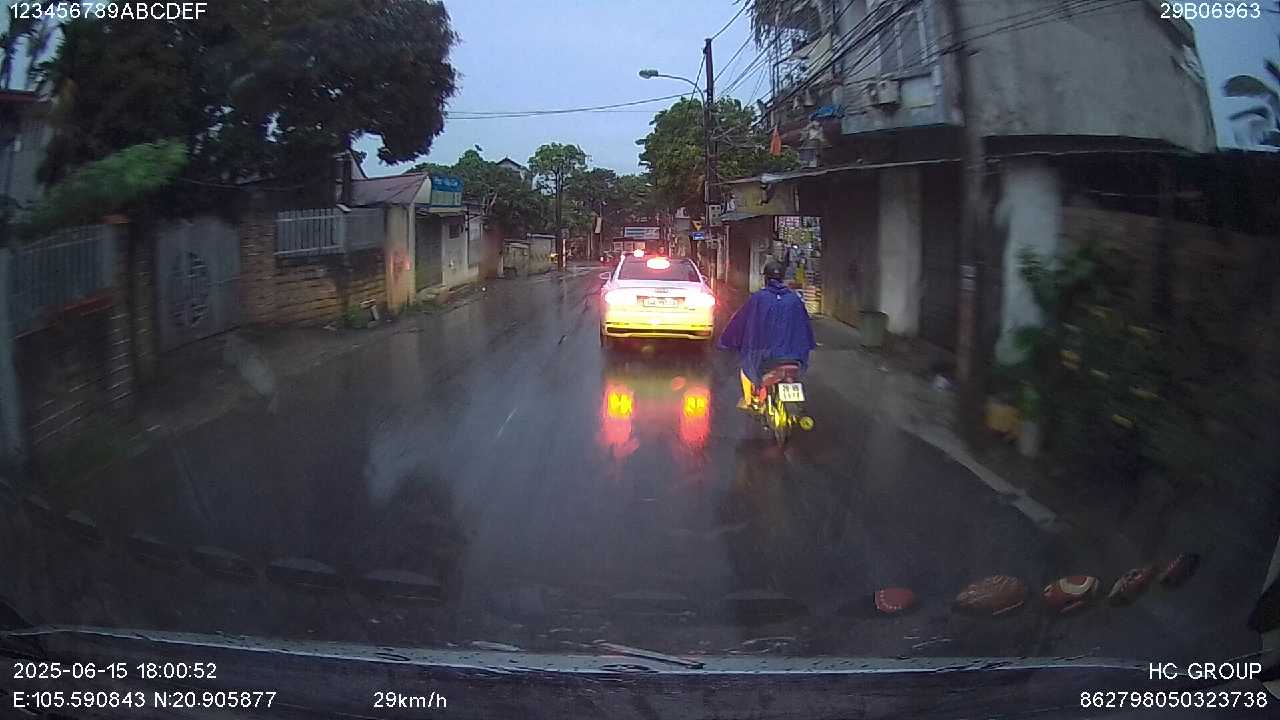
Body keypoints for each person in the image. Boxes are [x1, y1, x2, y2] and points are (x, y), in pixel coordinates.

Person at [718, 261, 817, 411]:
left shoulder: (758, 298)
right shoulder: (795, 299)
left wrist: (726, 341)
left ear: (765, 278)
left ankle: (749, 401)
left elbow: (740, 322)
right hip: (794, 357)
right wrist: (809, 344)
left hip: (764, 356)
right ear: (783, 277)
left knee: (745, 368)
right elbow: (805, 326)